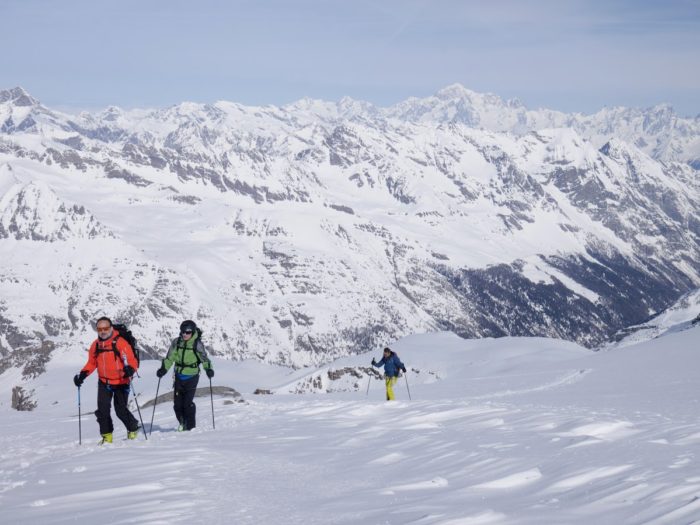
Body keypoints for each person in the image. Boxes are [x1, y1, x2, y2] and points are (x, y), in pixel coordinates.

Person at [73, 317, 140, 444]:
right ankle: (107, 437)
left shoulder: (120, 343)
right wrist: (82, 375)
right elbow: (92, 363)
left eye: (105, 328)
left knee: (120, 410)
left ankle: (133, 427)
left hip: (121, 381)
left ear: (111, 328)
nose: (102, 331)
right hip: (104, 382)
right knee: (102, 411)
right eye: (99, 329)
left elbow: (132, 361)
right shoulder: (96, 345)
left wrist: (130, 369)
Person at [156, 320, 214, 431]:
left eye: (187, 332)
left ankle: (191, 427)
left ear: (192, 332)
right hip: (178, 376)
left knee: (187, 404)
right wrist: (163, 369)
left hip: (192, 376)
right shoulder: (177, 342)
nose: (184, 334)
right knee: (177, 405)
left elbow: (204, 359)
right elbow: (170, 358)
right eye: (183, 332)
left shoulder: (197, 344)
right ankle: (183, 422)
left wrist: (209, 369)